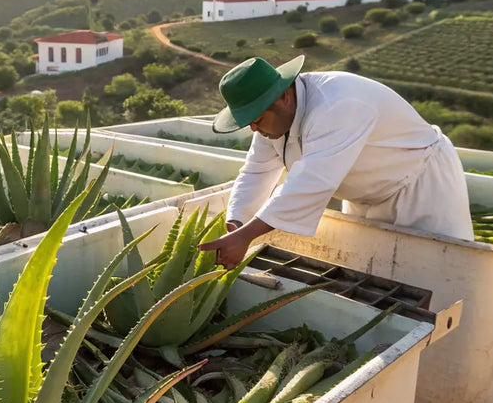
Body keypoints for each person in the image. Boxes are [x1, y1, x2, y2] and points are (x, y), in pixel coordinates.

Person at [198, 55, 472, 268]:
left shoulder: (338, 103)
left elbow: (312, 181)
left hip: (419, 186)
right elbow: (255, 173)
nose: (254, 130)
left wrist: (247, 236)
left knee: (436, 270)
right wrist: (236, 222)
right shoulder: (272, 122)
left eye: (255, 120)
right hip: (365, 193)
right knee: (371, 269)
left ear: (283, 96)